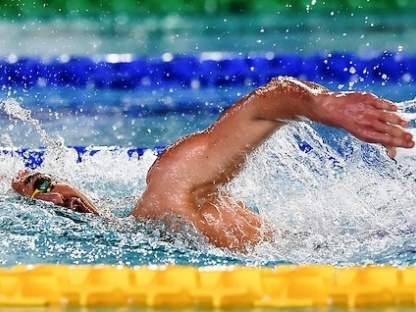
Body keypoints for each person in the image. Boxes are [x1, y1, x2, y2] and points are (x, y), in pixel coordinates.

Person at [11, 76, 415, 252]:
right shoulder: (138, 234)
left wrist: (324, 105)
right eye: (35, 200)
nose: (53, 201)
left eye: (42, 183)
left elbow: (261, 107)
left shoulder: (169, 187)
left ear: (71, 182)